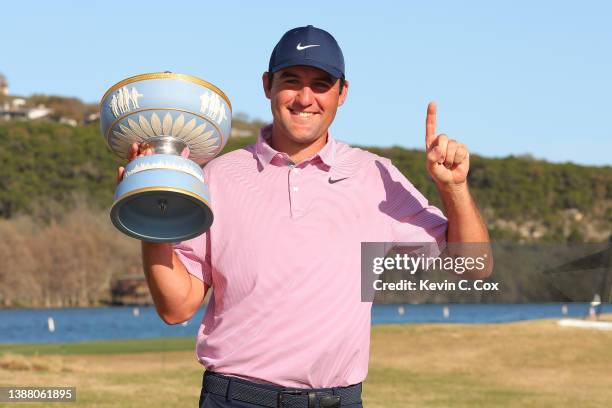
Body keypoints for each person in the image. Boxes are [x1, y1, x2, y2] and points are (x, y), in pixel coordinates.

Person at [118, 25, 492, 408]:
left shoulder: (375, 175)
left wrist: (454, 188)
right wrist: (152, 211)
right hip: (237, 399)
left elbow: (474, 266)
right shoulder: (216, 175)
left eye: (321, 84)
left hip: (338, 401)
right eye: (291, 81)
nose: (305, 98)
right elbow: (176, 306)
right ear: (268, 85)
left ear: (342, 93)